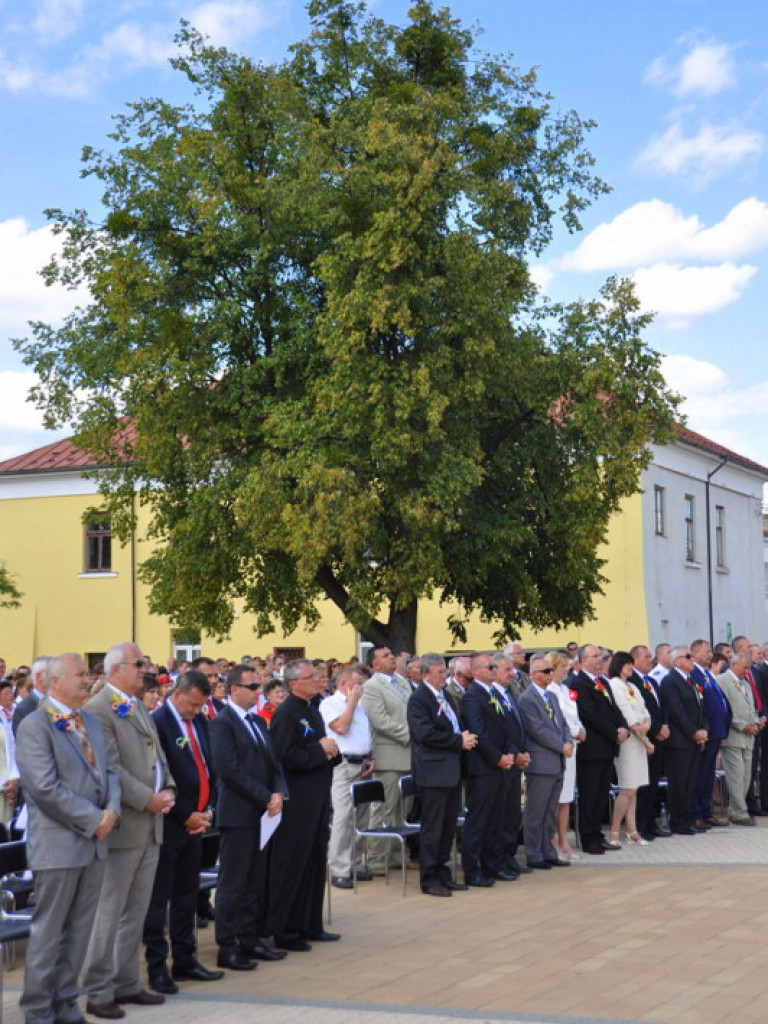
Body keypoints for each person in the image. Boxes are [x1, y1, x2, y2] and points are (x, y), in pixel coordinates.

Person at [16, 653, 121, 1024]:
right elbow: (44, 788)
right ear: (52, 681)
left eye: (88, 673)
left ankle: (66, 1003)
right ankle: (38, 1010)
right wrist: (94, 819)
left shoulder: (89, 721)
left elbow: (109, 772)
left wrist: (112, 810)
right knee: (49, 934)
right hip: (60, 845)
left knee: (79, 932)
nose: (87, 679)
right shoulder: (34, 725)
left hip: (95, 843)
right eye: (79, 674)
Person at [82, 642, 175, 1019]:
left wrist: (167, 787)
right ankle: (98, 988)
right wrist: (145, 799)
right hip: (125, 824)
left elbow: (158, 754)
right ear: (116, 668)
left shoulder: (135, 704)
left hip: (151, 824)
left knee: (136, 911)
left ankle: (126, 982)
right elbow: (111, 767)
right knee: (110, 911)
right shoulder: (98, 708)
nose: (145, 669)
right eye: (139, 664)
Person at [143, 670, 224, 990]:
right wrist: (184, 813)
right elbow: (157, 777)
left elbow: (209, 766)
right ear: (177, 694)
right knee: (158, 899)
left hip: (197, 823)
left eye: (200, 705)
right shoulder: (157, 723)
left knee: (187, 896)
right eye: (192, 704)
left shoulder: (201, 721)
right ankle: (156, 967)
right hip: (169, 823)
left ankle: (186, 960)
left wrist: (208, 809)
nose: (196, 710)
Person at [209, 664, 287, 969]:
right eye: (252, 687)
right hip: (239, 813)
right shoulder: (223, 722)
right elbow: (229, 770)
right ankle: (226, 945)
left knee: (255, 880)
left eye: (259, 687)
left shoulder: (256, 721)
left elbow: (273, 762)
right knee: (234, 882)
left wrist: (278, 791)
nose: (258, 692)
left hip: (263, 813)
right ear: (234, 689)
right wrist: (264, 795)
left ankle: (250, 938)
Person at [265, 659, 340, 950]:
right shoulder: (286, 714)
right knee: (293, 863)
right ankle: (286, 929)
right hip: (297, 800)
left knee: (314, 861)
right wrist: (319, 750)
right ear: (293, 683)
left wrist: (330, 750)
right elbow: (284, 757)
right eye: (311, 677)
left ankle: (311, 923)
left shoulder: (312, 709)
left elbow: (319, 744)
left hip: (317, 796)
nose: (318, 681)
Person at [407, 653, 477, 896]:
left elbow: (453, 724)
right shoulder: (419, 699)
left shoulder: (444, 695)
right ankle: (429, 878)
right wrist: (458, 741)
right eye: (439, 673)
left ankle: (443, 872)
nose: (443, 677)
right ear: (425, 674)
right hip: (433, 771)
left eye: (444, 673)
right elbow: (424, 733)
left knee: (448, 827)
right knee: (433, 827)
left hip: (451, 770)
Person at [460, 653, 520, 886]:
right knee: (479, 821)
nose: (495, 669)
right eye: (490, 666)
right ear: (476, 672)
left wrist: (511, 754)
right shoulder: (472, 697)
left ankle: (493, 865)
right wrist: (497, 758)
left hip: (499, 765)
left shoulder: (493, 693)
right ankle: (472, 869)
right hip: (483, 767)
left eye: (495, 666)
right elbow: (479, 734)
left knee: (496, 820)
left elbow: (507, 727)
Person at [320, 666, 376, 889]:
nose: (360, 688)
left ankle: (356, 863)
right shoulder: (329, 704)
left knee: (362, 817)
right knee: (343, 817)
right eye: (357, 683)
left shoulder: (360, 706)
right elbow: (341, 728)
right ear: (345, 684)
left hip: (362, 763)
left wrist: (371, 755)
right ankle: (339, 868)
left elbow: (364, 733)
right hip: (343, 765)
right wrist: (351, 702)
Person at [572, 644, 629, 855]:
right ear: (582, 660)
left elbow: (614, 709)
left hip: (606, 748)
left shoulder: (601, 682)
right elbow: (589, 714)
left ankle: (597, 833)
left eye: (600, 656)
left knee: (601, 794)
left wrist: (622, 727)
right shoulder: (578, 683)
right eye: (595, 656)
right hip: (591, 749)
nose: (599, 659)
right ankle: (588, 837)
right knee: (590, 794)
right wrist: (614, 732)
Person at [359, 645, 412, 871]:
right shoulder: (371, 687)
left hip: (407, 755)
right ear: (374, 664)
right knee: (384, 809)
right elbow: (380, 721)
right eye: (385, 656)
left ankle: (395, 855)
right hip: (389, 753)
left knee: (403, 808)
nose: (392, 658)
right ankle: (376, 858)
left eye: (392, 654)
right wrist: (411, 735)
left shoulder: (402, 682)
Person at [518, 653, 572, 869]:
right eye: (546, 671)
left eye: (551, 670)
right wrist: (561, 745)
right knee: (536, 811)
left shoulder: (551, 697)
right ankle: (533, 853)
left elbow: (563, 724)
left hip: (557, 761)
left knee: (550, 811)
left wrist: (568, 741)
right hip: (541, 763)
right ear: (533, 675)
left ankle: (547, 849)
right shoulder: (527, 699)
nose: (551, 674)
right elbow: (537, 730)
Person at [660, 646, 708, 835]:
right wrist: (693, 732)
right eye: (688, 656)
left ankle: (686, 819)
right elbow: (677, 712)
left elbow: (700, 707)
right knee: (679, 783)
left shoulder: (691, 681)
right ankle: (677, 821)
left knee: (690, 782)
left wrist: (703, 730)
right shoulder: (670, 681)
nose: (692, 659)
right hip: (679, 742)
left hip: (693, 740)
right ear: (677, 660)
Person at [606, 652, 652, 846]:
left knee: (635, 788)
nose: (630, 668)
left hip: (640, 739)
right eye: (627, 664)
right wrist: (644, 737)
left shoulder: (632, 686)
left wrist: (646, 727)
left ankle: (632, 830)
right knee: (627, 787)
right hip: (629, 742)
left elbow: (644, 711)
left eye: (631, 664)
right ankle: (615, 830)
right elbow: (626, 711)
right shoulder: (615, 684)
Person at [688, 638, 731, 828]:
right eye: (706, 651)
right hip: (706, 732)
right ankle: (696, 813)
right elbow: (701, 705)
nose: (710, 654)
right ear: (695, 653)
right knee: (700, 775)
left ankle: (706, 812)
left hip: (716, 732)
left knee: (708, 776)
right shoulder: (694, 673)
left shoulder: (706, 673)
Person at [546, 651, 585, 860]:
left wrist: (581, 729)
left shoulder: (565, 689)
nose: (566, 670)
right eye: (562, 667)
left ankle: (564, 840)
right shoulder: (549, 691)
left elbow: (574, 715)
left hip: (573, 747)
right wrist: (572, 731)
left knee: (567, 797)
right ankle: (553, 841)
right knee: (556, 798)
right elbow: (556, 720)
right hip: (560, 747)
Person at [629, 644, 670, 841]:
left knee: (653, 783)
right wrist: (655, 729)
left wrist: (665, 726)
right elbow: (640, 711)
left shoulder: (651, 680)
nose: (649, 660)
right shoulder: (632, 681)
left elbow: (660, 708)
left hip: (658, 737)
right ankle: (641, 824)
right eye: (645, 657)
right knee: (643, 785)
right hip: (644, 738)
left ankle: (651, 822)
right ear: (634, 660)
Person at [717, 653, 759, 825]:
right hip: (733, 737)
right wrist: (742, 725)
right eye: (745, 667)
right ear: (734, 664)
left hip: (749, 738)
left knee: (746, 777)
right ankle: (740, 813)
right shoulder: (722, 681)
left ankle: (735, 810)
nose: (747, 671)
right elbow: (723, 710)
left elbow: (752, 707)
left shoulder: (746, 684)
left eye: (749, 667)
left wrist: (755, 723)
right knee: (736, 775)